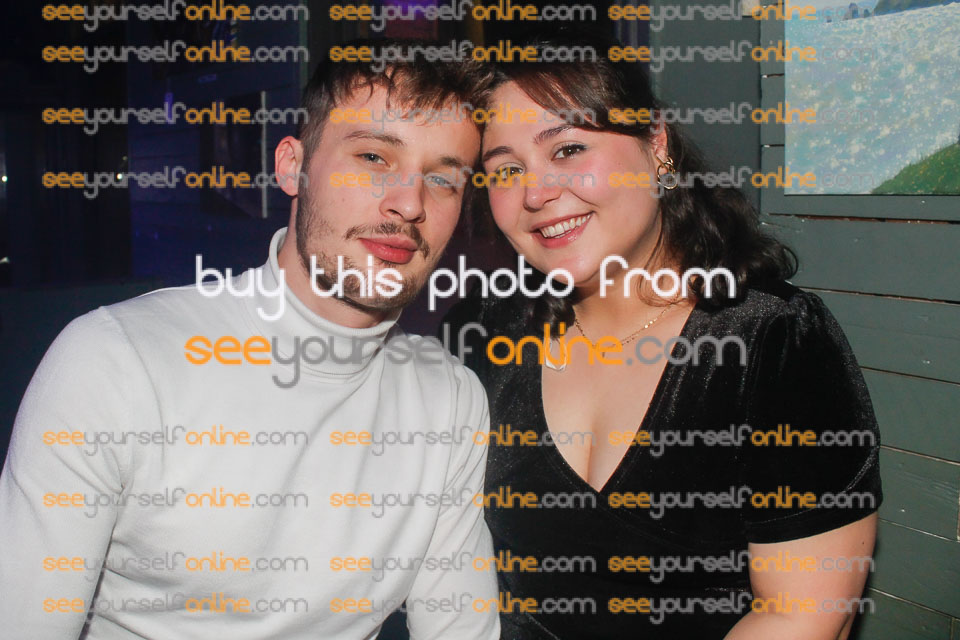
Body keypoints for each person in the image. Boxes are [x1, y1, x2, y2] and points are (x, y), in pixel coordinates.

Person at [0, 43, 499, 640]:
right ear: (292, 167)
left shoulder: (450, 402)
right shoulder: (116, 363)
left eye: (442, 179)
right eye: (373, 156)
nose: (410, 202)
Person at [443, 30, 882, 639]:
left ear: (656, 144)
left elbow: (802, 613)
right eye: (508, 169)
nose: (537, 193)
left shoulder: (772, 343)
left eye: (568, 149)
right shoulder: (485, 333)